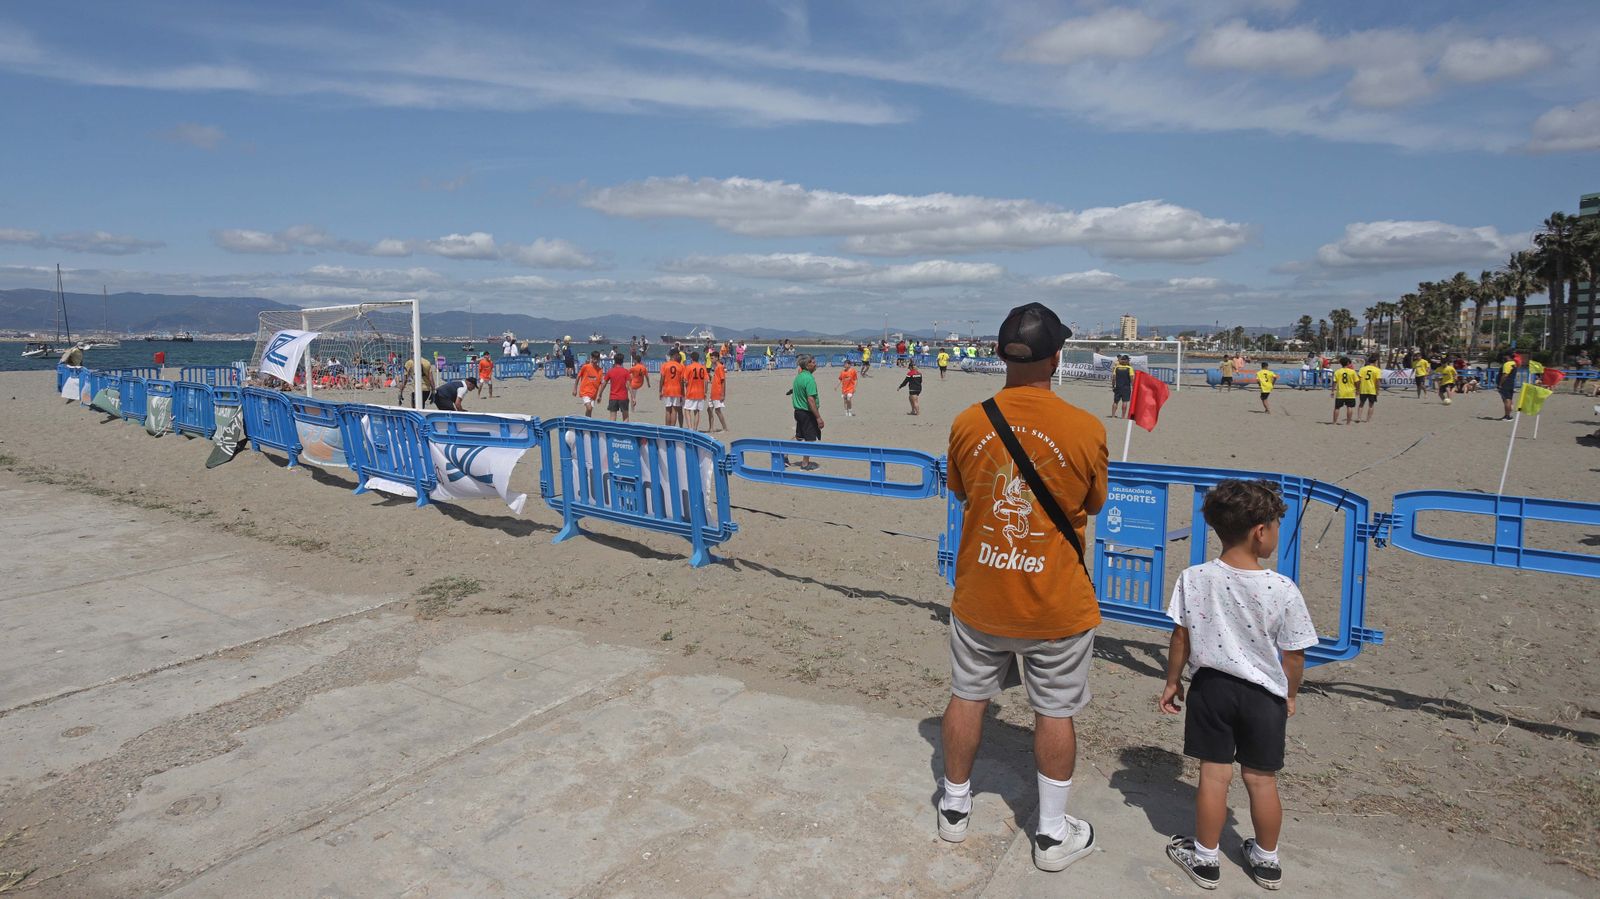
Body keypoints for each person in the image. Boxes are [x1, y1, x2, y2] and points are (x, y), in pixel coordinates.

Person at [938, 302, 1106, 874]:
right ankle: (1053, 834)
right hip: (1054, 601)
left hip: (982, 592)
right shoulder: (1085, 429)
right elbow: (1092, 503)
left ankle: (954, 807)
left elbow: (963, 490)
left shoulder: (966, 422)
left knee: (968, 694)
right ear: (1056, 359)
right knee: (1054, 710)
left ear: (999, 355)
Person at [1158, 479, 1317, 891]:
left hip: (1211, 688)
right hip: (1264, 695)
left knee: (1213, 775)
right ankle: (1266, 861)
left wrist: (1172, 682)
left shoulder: (1193, 578)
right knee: (1261, 780)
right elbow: (1294, 654)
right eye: (1275, 526)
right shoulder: (1282, 588)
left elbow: (1181, 637)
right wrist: (1291, 693)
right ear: (1260, 531)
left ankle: (1206, 858)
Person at [790, 354, 823, 469]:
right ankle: (805, 463)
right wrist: (818, 417)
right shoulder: (809, 379)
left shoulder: (798, 377)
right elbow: (810, 399)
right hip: (806, 413)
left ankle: (784, 453)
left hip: (798, 412)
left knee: (799, 436)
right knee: (810, 439)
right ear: (807, 365)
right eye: (813, 362)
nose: (815, 364)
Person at [682, 351, 709, 431]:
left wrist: (686, 386)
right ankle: (695, 429)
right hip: (700, 392)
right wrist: (705, 391)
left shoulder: (688, 367)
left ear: (691, 358)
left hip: (691, 391)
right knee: (697, 411)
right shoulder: (702, 367)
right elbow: (706, 381)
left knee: (687, 410)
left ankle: (690, 428)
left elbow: (685, 380)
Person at [574, 351, 604, 417]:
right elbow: (578, 377)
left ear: (599, 359)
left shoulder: (600, 370)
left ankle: (586, 423)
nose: (595, 360)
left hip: (593, 394)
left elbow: (601, 383)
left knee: (589, 411)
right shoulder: (585, 367)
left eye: (597, 359)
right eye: (594, 359)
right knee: (589, 408)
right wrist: (575, 389)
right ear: (591, 358)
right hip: (585, 392)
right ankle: (586, 421)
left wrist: (600, 395)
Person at [660, 350, 685, 427]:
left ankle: (667, 427)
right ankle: (672, 427)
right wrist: (682, 392)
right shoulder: (680, 366)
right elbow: (681, 381)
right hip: (677, 390)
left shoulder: (665, 365)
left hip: (667, 389)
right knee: (675, 410)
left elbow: (662, 379)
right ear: (675, 355)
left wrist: (660, 390)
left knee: (668, 409)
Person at [1331, 356, 1357, 425]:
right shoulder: (1352, 372)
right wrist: (1358, 390)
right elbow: (1357, 382)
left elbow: (1334, 382)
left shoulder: (1338, 372)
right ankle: (1348, 422)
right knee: (1350, 407)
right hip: (1350, 392)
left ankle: (1334, 422)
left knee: (1337, 408)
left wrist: (1332, 391)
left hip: (1340, 392)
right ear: (1348, 363)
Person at [707, 353, 729, 432]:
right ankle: (711, 428)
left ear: (716, 358)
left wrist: (723, 394)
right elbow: (716, 380)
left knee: (717, 410)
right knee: (709, 409)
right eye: (711, 358)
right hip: (713, 391)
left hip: (718, 392)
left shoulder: (720, 367)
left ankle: (725, 427)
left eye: (712, 358)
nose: (711, 360)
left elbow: (723, 381)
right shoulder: (716, 367)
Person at [1357, 356, 1381, 423]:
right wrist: (1378, 390)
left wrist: (1357, 389)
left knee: (1361, 404)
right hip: (1372, 389)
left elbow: (1358, 379)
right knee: (1371, 405)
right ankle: (1368, 420)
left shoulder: (1362, 369)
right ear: (1375, 362)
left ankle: (1359, 418)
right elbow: (1378, 381)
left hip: (1363, 388)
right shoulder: (1377, 370)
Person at [1497, 352, 1518, 420]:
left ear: (1508, 356)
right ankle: (1507, 414)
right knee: (1508, 399)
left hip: (1505, 384)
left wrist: (1500, 384)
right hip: (1510, 383)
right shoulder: (1514, 364)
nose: (1503, 357)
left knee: (1507, 400)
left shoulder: (1507, 364)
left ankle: (1507, 416)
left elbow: (1505, 375)